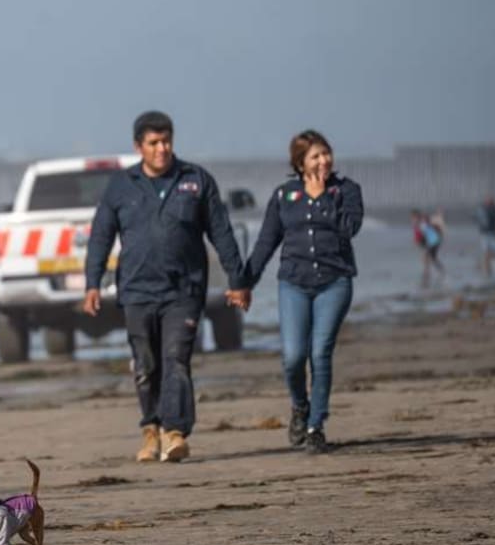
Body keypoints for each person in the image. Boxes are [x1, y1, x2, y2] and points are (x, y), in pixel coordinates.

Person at [82, 111, 247, 463]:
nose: (162, 149)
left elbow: (221, 232)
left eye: (167, 141)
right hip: (136, 291)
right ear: (138, 146)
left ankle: (175, 432)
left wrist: (237, 280)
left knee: (176, 359)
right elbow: (100, 237)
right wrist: (92, 283)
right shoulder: (120, 185)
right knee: (146, 365)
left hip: (183, 290)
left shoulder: (196, 180)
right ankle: (151, 431)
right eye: (154, 143)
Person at [240, 131, 363, 454]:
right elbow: (265, 243)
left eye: (326, 153)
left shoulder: (346, 190)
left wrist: (322, 199)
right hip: (293, 284)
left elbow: (350, 228)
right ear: (299, 164)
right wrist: (244, 283)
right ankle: (300, 406)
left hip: (334, 282)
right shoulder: (284, 196)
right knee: (293, 356)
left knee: (320, 352)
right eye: (315, 156)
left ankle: (315, 425)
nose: (324, 161)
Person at [411, 209, 445, 288]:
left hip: (432, 242)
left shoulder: (422, 223)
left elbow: (424, 233)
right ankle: (434, 272)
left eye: (413, 217)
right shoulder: (421, 223)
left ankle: (431, 273)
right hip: (432, 241)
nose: (412, 219)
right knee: (431, 258)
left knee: (429, 258)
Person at [474, 196, 495, 277]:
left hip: (493, 233)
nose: (488, 202)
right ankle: (487, 270)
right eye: (487, 200)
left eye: (489, 200)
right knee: (486, 251)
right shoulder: (482, 209)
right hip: (485, 234)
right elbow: (478, 219)